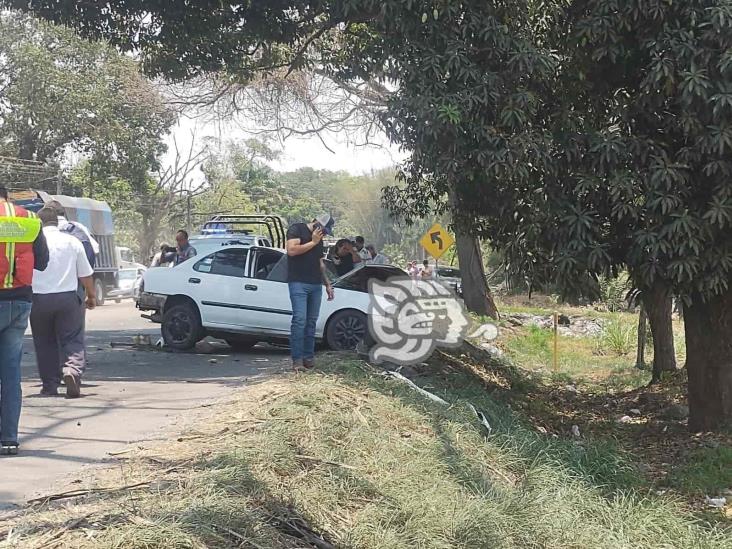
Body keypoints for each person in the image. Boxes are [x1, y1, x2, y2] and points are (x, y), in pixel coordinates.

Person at [0, 187, 49, 455]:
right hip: (19, 302)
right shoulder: (29, 219)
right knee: (10, 373)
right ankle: (8, 439)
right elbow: (42, 262)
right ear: (7, 197)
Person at [30, 207, 96, 399]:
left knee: (44, 343)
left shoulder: (32, 242)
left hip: (38, 299)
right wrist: (91, 296)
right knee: (72, 338)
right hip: (67, 298)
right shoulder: (72, 241)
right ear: (57, 222)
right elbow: (85, 273)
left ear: (39, 223)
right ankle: (72, 371)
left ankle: (49, 385)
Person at [286, 214, 335, 370]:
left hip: (315, 284)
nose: (324, 234)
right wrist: (313, 242)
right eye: (324, 230)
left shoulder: (319, 240)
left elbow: (320, 264)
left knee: (311, 322)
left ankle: (308, 358)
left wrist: (327, 284)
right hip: (298, 282)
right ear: (316, 224)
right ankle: (297, 360)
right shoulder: (297, 229)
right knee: (300, 320)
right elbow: (291, 250)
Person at [47, 200, 98, 268]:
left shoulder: (44, 230)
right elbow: (95, 249)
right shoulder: (79, 227)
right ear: (64, 213)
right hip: (78, 274)